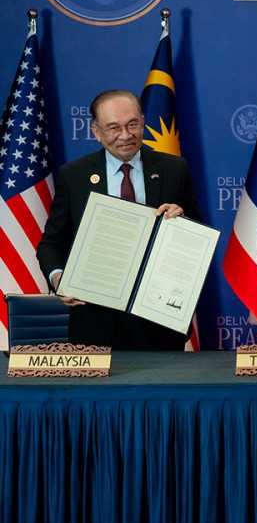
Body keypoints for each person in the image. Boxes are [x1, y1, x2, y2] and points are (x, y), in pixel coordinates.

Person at [36, 89, 200, 350]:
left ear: (143, 121)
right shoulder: (74, 176)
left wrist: (182, 221)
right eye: (113, 128)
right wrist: (59, 279)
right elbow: (51, 244)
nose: (125, 136)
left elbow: (198, 233)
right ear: (96, 132)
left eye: (132, 124)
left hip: (158, 321)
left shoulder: (174, 169)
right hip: (94, 322)